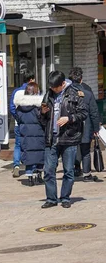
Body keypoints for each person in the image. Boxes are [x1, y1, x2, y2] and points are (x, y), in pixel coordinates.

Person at [39, 71, 88, 209]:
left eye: (56, 87)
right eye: (51, 87)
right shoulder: (48, 94)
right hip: (51, 137)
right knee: (48, 170)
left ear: (62, 84)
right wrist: (42, 113)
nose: (53, 89)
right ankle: (51, 198)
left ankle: (65, 197)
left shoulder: (75, 93)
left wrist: (69, 118)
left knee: (68, 171)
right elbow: (42, 118)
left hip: (69, 138)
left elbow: (84, 113)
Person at [69, 67, 101, 181]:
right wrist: (96, 128)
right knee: (85, 151)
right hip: (85, 126)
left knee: (69, 150)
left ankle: (70, 172)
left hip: (69, 126)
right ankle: (87, 174)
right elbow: (94, 112)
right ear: (81, 79)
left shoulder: (66, 93)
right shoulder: (87, 93)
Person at [14, 82, 44, 186]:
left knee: (28, 153)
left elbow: (18, 117)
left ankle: (29, 176)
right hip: (38, 133)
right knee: (39, 154)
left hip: (25, 133)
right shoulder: (38, 106)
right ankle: (39, 175)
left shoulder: (19, 107)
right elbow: (43, 119)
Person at [9, 73, 36, 178]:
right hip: (30, 124)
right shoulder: (33, 91)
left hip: (18, 124)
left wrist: (18, 118)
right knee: (29, 145)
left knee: (18, 145)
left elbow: (12, 107)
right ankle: (30, 167)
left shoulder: (16, 92)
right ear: (30, 80)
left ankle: (16, 165)